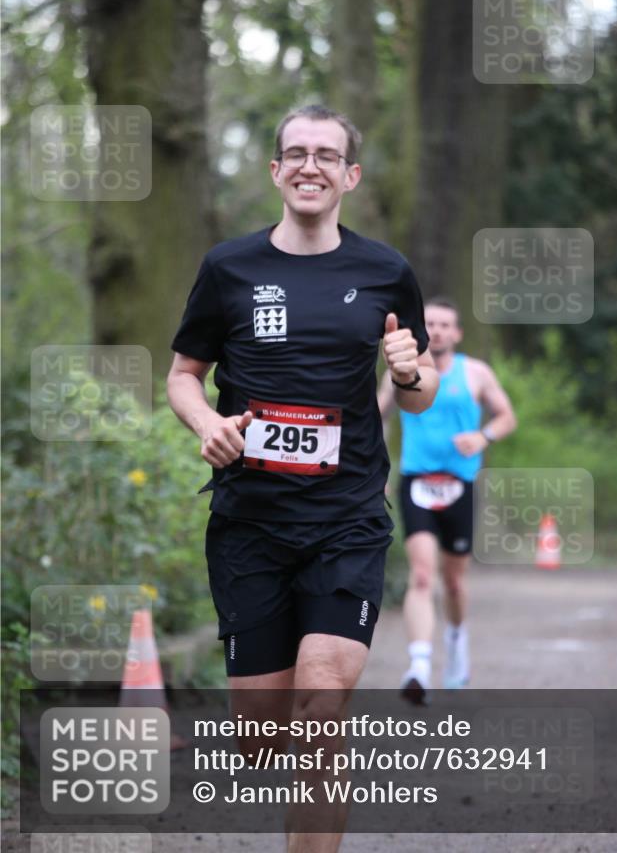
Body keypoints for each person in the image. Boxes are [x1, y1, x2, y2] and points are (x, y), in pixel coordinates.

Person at [167, 104, 438, 852]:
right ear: (275, 170)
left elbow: (420, 388)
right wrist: (208, 424)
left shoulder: (385, 271)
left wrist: (412, 374)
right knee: (260, 741)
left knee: (320, 712)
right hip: (249, 523)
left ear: (349, 174)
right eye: (295, 153)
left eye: (325, 154)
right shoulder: (229, 267)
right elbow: (184, 376)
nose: (308, 165)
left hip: (345, 518)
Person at [378, 297, 516, 703]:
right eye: (430, 324)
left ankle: (456, 642)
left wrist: (482, 436)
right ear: (420, 330)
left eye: (444, 325)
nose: (436, 331)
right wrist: (378, 469)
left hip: (460, 484)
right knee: (423, 575)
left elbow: (507, 416)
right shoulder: (401, 371)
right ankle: (419, 666)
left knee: (454, 581)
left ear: (456, 333)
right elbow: (376, 417)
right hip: (416, 479)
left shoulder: (476, 372)